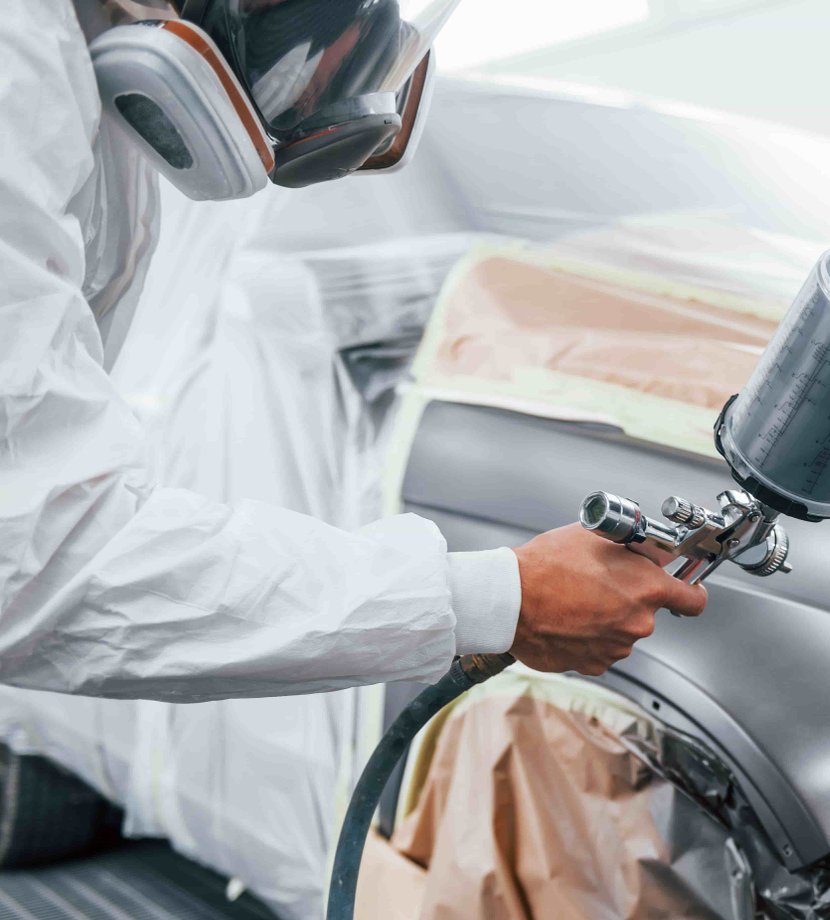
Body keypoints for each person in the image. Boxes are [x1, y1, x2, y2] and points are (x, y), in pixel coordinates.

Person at [0, 0, 706, 704]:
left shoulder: (79, 53)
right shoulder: (19, 56)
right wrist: (497, 596)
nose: (352, 46)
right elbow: (34, 559)